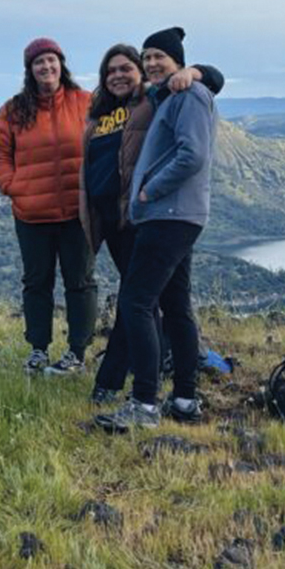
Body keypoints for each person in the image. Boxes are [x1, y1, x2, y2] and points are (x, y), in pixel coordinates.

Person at [79, 44, 225, 405]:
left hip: (150, 214)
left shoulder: (158, 97)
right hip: (119, 219)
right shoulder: (101, 111)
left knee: (137, 302)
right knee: (165, 303)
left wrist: (194, 71)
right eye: (110, 70)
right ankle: (181, 397)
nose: (118, 75)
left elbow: (194, 144)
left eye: (128, 67)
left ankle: (135, 394)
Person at [0, 38, 97, 375]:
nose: (46, 67)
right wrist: (13, 186)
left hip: (78, 213)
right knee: (37, 283)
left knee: (79, 282)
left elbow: (108, 143)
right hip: (32, 213)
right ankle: (38, 349)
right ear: (30, 70)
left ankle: (77, 352)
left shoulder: (85, 102)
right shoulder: (14, 109)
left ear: (61, 64)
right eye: (39, 63)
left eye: (51, 61)